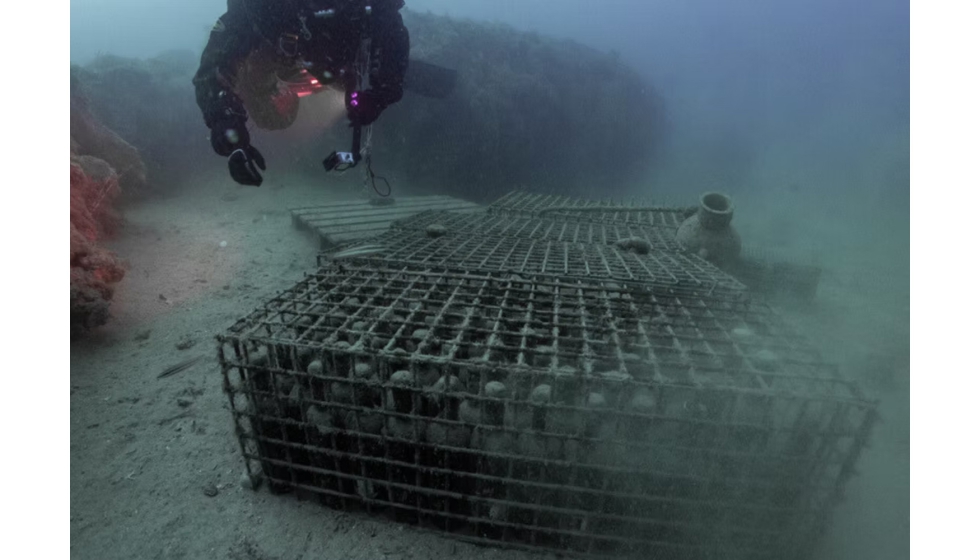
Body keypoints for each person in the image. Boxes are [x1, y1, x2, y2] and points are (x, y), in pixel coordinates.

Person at [193, 0, 410, 186]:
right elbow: (215, 65)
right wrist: (226, 124)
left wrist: (383, 93)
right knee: (266, 103)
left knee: (339, 76)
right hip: (281, 51)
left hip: (334, 58)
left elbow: (392, 28)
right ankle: (287, 94)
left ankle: (322, 79)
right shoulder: (259, 8)